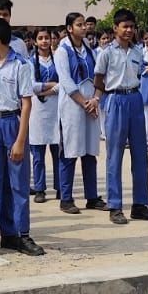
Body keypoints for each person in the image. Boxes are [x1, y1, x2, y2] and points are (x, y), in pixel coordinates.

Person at [0, 18, 46, 256]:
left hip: (12, 122)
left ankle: (22, 235)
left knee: (18, 183)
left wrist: (20, 140)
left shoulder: (20, 64)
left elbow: (26, 104)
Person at [94, 9, 148, 224]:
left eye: (132, 26)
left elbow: (139, 74)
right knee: (115, 155)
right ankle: (115, 205)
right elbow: (98, 80)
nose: (129, 30)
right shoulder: (106, 53)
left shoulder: (138, 51)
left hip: (135, 98)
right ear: (115, 28)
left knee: (141, 154)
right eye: (125, 26)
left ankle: (140, 204)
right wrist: (99, 98)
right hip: (115, 99)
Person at [53, 11, 104, 214]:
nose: (84, 28)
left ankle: (92, 196)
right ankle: (66, 198)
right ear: (69, 28)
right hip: (73, 106)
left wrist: (95, 100)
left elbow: (99, 76)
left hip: (90, 104)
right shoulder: (62, 51)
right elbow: (66, 81)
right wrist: (84, 103)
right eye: (79, 25)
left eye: (85, 24)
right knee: (70, 151)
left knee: (90, 151)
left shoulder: (89, 49)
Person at [27, 27, 62, 203]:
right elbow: (30, 86)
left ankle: (61, 187)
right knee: (38, 155)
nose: (44, 41)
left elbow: (64, 83)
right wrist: (51, 85)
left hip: (56, 110)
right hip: (37, 112)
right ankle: (40, 189)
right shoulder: (29, 62)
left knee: (58, 153)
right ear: (35, 41)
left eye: (47, 37)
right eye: (40, 38)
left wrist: (44, 90)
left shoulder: (59, 59)